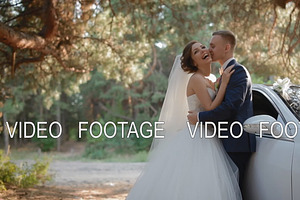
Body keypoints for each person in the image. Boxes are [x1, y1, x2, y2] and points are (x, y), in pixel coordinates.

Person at [126, 40, 242, 200]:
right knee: (193, 183)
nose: (202, 51)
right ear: (193, 62)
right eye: (196, 52)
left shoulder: (212, 78)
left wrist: (221, 83)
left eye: (202, 47)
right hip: (197, 137)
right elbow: (209, 107)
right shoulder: (196, 79)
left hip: (210, 134)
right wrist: (224, 84)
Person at [188, 30, 256, 197]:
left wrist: (199, 117)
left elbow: (230, 108)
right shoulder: (222, 75)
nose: (209, 50)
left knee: (233, 192)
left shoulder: (238, 72)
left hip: (236, 141)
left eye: (212, 46)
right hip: (220, 141)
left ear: (226, 48)